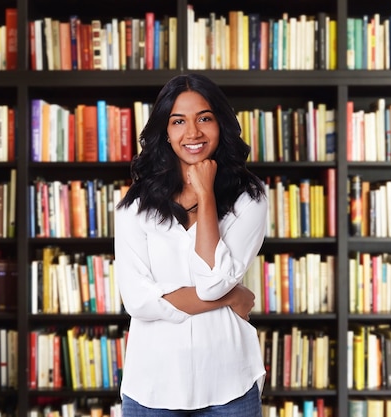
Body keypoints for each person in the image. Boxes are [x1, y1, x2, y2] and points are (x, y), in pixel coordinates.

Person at [114, 73, 268, 416]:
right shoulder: (135, 205)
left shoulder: (250, 197)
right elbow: (138, 301)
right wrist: (232, 296)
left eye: (205, 118)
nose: (193, 132)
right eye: (178, 121)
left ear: (221, 124)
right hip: (152, 386)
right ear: (165, 133)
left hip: (230, 382)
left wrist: (206, 194)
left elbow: (212, 282)